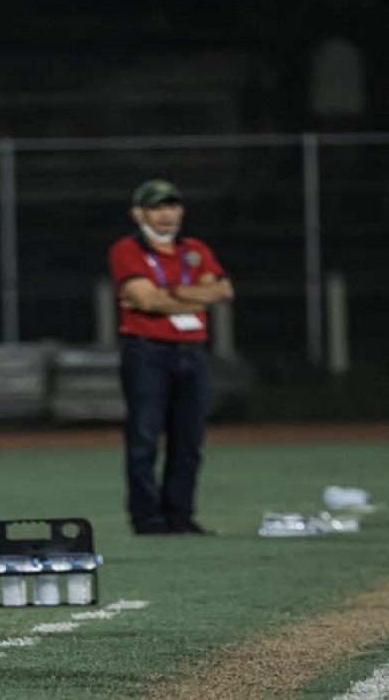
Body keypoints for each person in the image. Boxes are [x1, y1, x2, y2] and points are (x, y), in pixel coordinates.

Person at [107, 179, 233, 535]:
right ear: (139, 213)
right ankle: (147, 518)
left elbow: (222, 290)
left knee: (189, 440)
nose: (167, 215)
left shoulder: (195, 248)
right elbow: (144, 300)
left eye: (173, 206)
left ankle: (180, 514)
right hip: (147, 351)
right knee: (145, 437)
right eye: (158, 207)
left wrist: (170, 293)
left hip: (192, 352)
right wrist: (195, 294)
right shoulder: (127, 250)